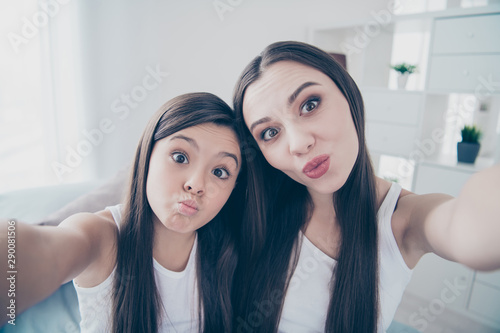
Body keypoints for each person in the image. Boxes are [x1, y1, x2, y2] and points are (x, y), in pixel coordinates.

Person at [230, 41, 500, 333]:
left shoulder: (403, 219)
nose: (298, 143)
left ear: (349, 95)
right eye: (270, 132)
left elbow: (471, 229)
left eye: (310, 105)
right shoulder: (257, 211)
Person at [0, 92, 245, 333]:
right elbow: (43, 249)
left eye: (220, 172)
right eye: (180, 157)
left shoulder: (228, 251)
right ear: (146, 156)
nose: (196, 184)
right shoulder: (101, 235)